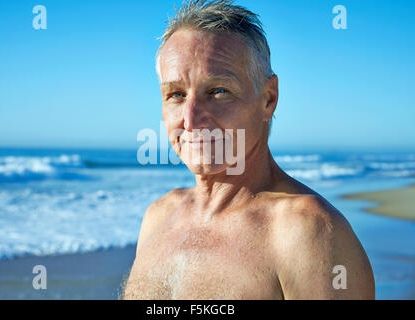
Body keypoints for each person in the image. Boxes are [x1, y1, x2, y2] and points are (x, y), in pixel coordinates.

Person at [123, 0, 374, 299]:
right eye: (176, 94)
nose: (190, 119)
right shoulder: (158, 217)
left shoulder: (307, 232)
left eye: (218, 91)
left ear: (268, 98)